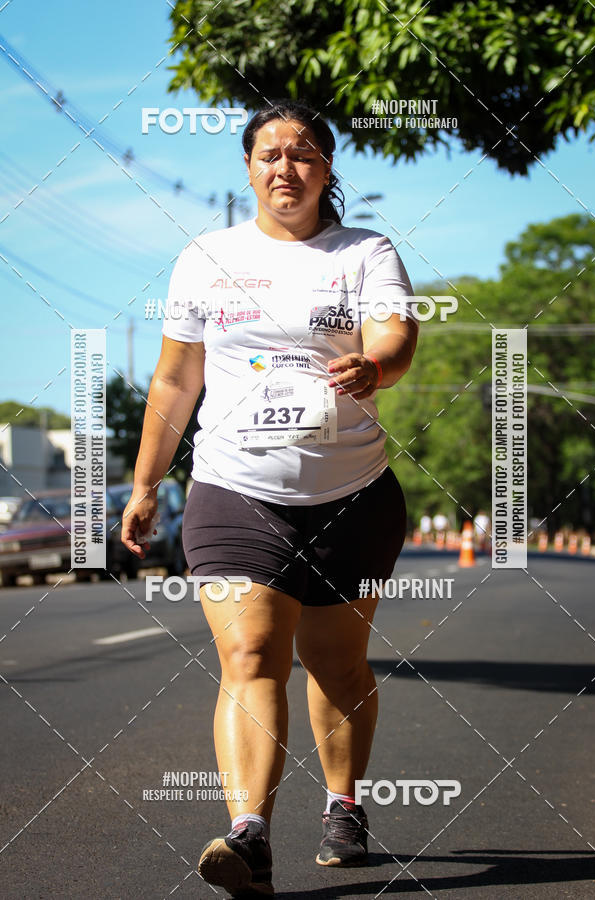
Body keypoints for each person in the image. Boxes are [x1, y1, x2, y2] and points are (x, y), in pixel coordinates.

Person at [121, 99, 419, 898]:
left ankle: (344, 804)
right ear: (249, 168)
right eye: (269, 154)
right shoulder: (206, 258)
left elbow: (395, 332)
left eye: (305, 153)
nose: (286, 167)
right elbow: (177, 378)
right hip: (231, 490)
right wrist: (146, 482)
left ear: (327, 169)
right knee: (250, 654)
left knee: (335, 662)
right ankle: (248, 833)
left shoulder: (365, 249)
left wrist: (376, 366)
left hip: (349, 494)